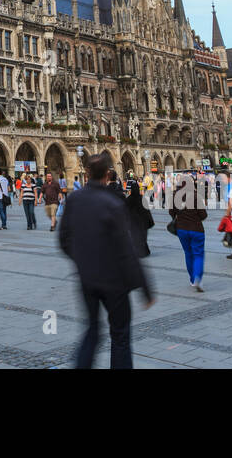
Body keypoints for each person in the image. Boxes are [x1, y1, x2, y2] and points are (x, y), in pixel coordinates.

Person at [59, 153, 153, 369]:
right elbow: (127, 248)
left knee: (92, 330)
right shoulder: (113, 202)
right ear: (108, 174)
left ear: (87, 173)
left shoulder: (74, 199)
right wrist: (145, 289)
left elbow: (64, 240)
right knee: (120, 335)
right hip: (114, 282)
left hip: (87, 279)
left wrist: (82, 259)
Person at [168, 174, 207, 291]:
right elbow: (203, 215)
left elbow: (171, 212)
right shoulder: (196, 196)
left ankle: (192, 279)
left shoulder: (175, 196)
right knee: (198, 254)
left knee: (188, 253)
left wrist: (180, 215)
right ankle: (197, 279)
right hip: (196, 229)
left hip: (182, 229)